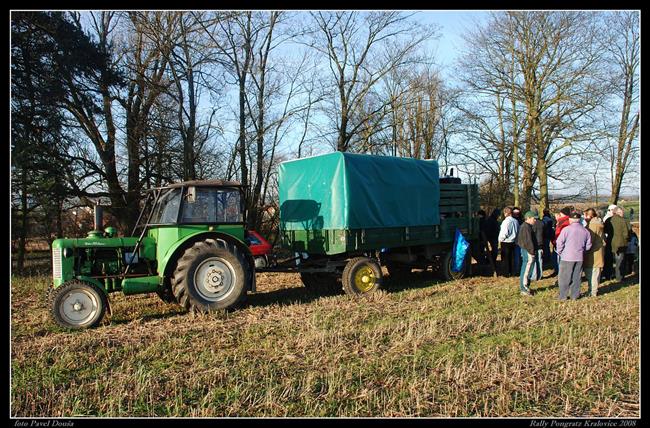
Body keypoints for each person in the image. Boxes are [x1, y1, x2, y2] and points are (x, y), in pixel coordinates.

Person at [556, 211, 592, 300]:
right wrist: (582, 251)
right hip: (579, 257)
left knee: (564, 277)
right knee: (577, 277)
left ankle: (563, 296)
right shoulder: (585, 231)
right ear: (579, 220)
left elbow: (559, 242)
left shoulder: (566, 229)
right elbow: (588, 245)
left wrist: (560, 252)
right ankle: (575, 295)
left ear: (570, 220)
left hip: (567, 257)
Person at [605, 206, 631, 281]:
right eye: (622, 212)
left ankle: (608, 275)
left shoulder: (608, 220)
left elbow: (605, 231)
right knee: (620, 261)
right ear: (618, 212)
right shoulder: (624, 221)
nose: (623, 213)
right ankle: (619, 277)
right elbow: (627, 233)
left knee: (609, 260)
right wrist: (627, 240)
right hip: (621, 243)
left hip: (610, 242)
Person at [583, 208, 605, 297]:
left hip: (593, 252)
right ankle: (592, 290)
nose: (583, 217)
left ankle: (593, 292)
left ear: (589, 215)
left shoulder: (592, 225)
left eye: (585, 215)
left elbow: (590, 240)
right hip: (597, 251)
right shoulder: (596, 223)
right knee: (594, 272)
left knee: (593, 272)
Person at [517, 211, 538, 296]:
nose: (535, 220)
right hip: (528, 251)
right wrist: (532, 252)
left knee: (528, 269)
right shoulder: (525, 227)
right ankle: (524, 289)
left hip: (528, 250)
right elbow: (527, 242)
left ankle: (526, 286)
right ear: (528, 218)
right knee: (526, 269)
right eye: (534, 218)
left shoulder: (527, 226)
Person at [498, 207, 519, 277]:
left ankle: (506, 273)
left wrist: (500, 239)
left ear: (506, 213)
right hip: (513, 241)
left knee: (505, 259)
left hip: (506, 242)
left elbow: (504, 232)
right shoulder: (515, 221)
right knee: (512, 258)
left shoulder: (506, 221)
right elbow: (517, 231)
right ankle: (513, 272)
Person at [551, 207, 572, 276]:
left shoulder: (563, 222)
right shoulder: (568, 221)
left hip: (561, 243)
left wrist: (555, 241)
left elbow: (559, 233)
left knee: (560, 259)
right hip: (566, 243)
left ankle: (562, 273)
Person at [530, 211, 545, 281]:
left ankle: (534, 276)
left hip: (535, 243)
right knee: (540, 260)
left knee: (535, 260)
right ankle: (540, 275)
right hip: (541, 243)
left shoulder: (533, 224)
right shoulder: (542, 223)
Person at [512, 207, 523, 273]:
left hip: (517, 241)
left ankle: (517, 269)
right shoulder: (520, 221)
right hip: (516, 240)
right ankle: (517, 268)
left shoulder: (517, 221)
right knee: (517, 255)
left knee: (517, 255)